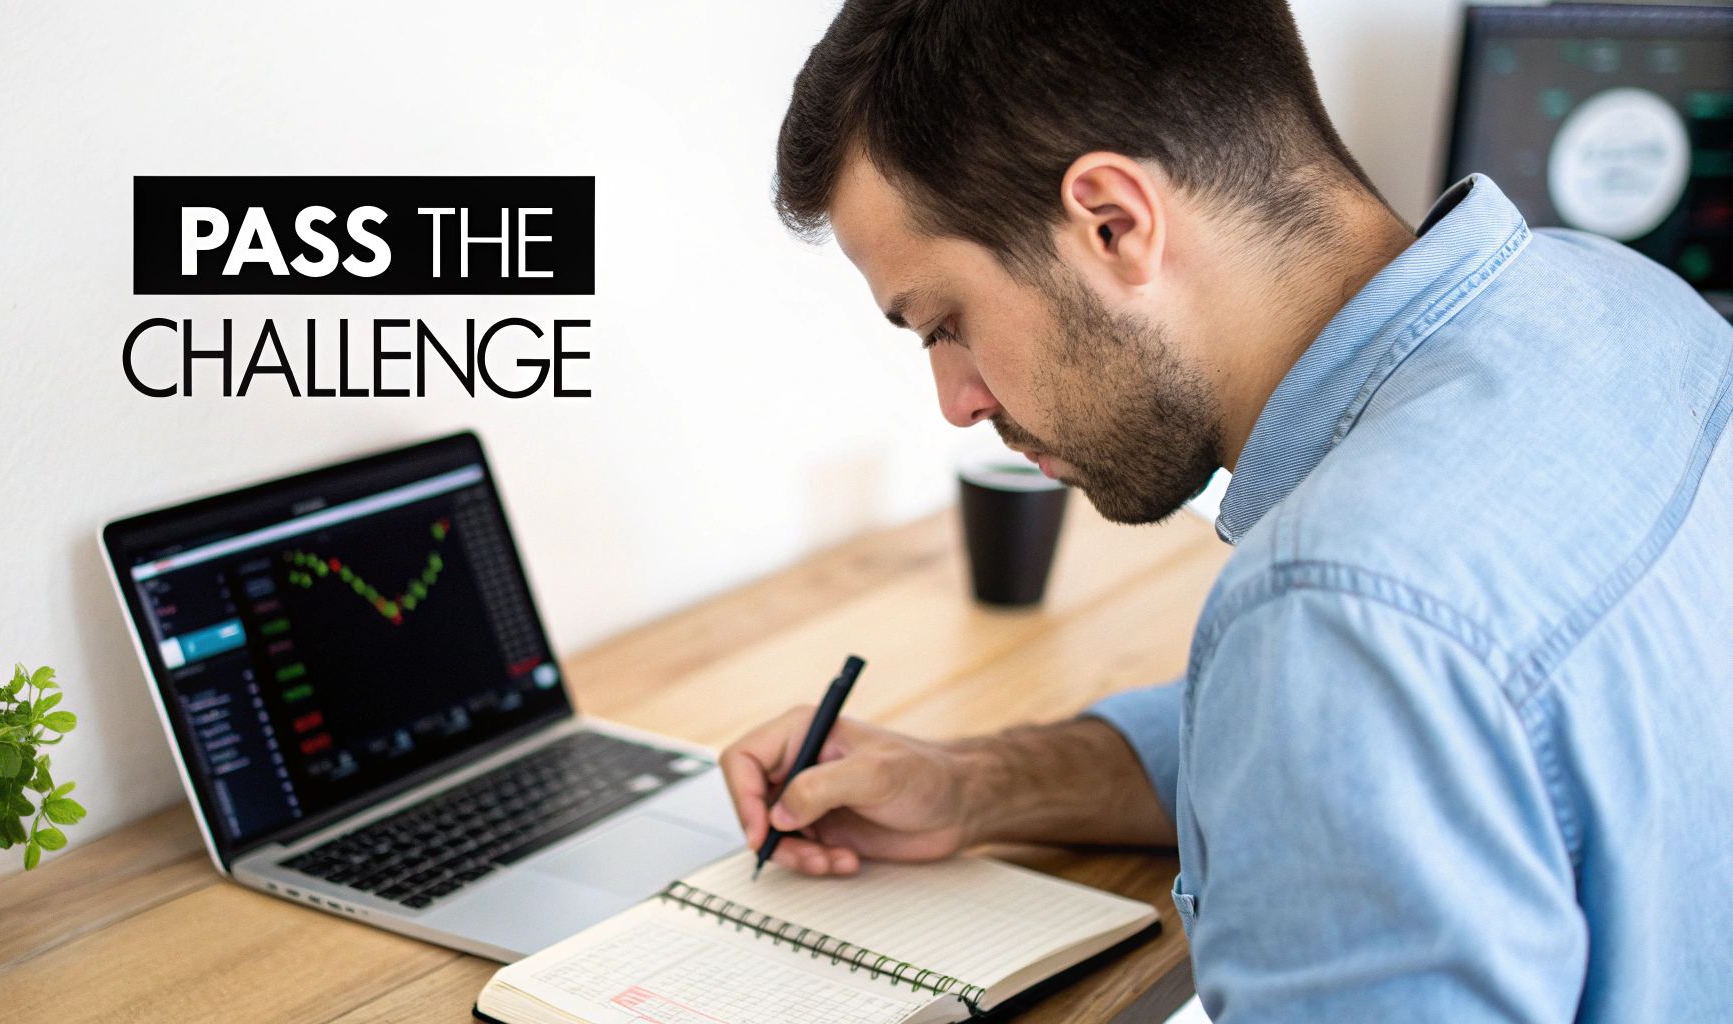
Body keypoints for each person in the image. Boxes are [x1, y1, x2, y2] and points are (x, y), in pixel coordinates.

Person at [718, 1, 1733, 1020]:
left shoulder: (1336, 613)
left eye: (946, 322)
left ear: (1111, 222)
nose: (957, 401)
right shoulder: (1617, 296)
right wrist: (976, 783)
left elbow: (1346, 681)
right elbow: (1356, 740)